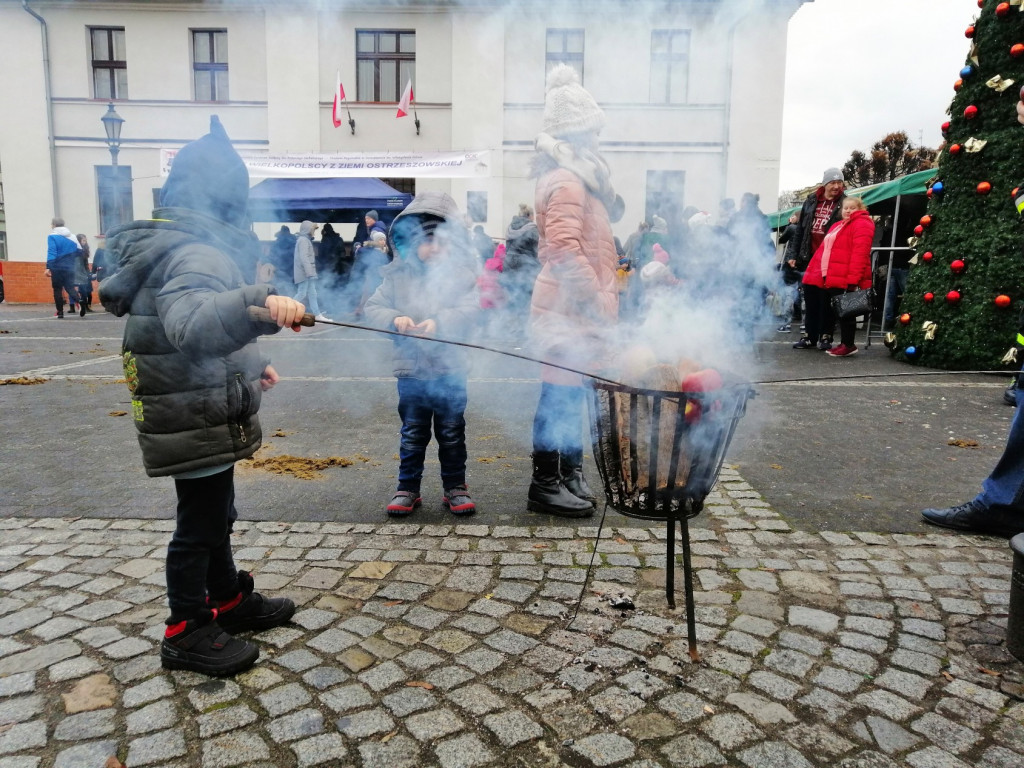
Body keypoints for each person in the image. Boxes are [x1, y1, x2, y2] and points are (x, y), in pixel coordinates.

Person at [97, 115, 305, 676]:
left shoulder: (187, 249)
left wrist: (250, 365)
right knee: (200, 525)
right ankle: (186, 627)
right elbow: (193, 328)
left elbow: (194, 335)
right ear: (225, 200)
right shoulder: (197, 254)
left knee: (217, 514)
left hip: (199, 408)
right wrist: (259, 302)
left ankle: (229, 600)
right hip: (191, 415)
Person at [527, 63, 623, 518]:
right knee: (559, 397)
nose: (599, 142)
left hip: (577, 312)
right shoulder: (567, 180)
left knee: (572, 394)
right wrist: (599, 300)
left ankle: (569, 473)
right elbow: (565, 251)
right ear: (578, 135)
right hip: (569, 310)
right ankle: (545, 484)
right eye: (594, 133)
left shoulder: (580, 178)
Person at [364, 191, 480, 518]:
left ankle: (455, 487)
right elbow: (373, 307)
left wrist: (440, 323)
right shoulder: (395, 277)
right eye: (429, 241)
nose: (436, 249)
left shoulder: (462, 277)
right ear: (413, 243)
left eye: (443, 242)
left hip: (450, 371)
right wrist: (393, 318)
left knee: (452, 433)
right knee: (413, 434)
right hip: (411, 372)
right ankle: (407, 488)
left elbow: (471, 310)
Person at [796, 196, 874, 357]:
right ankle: (823, 338)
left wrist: (853, 278)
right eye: (845, 208)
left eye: (852, 208)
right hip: (827, 274)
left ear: (860, 209)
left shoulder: (862, 224)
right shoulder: (838, 225)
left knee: (845, 309)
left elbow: (860, 253)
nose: (848, 211)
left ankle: (848, 344)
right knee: (832, 308)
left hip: (843, 275)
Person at [787, 168, 847, 350]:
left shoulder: (845, 202)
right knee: (810, 298)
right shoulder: (812, 200)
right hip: (810, 257)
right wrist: (793, 254)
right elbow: (800, 230)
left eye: (839, 183)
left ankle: (826, 336)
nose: (836, 186)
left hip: (832, 259)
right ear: (825, 184)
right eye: (832, 183)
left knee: (828, 301)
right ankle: (809, 336)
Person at [502, 203, 541, 338]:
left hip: (509, 266)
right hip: (526, 267)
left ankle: (512, 330)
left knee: (513, 298)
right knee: (526, 300)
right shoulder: (533, 230)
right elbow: (538, 252)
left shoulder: (510, 228)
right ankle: (524, 332)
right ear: (530, 216)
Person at [45, 218, 84, 318]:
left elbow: (52, 252)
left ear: (53, 225)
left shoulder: (52, 236)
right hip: (70, 266)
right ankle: (79, 301)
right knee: (70, 287)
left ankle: (60, 312)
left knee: (57, 289)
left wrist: (48, 267)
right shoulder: (72, 236)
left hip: (57, 267)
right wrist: (69, 258)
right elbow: (80, 251)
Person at [293, 220, 331, 322]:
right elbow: (304, 257)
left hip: (306, 273)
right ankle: (287, 309)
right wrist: (310, 273)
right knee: (302, 293)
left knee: (312, 294)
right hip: (305, 273)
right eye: (312, 229)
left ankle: (317, 314)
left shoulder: (303, 239)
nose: (314, 231)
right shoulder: (303, 240)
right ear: (307, 230)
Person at [776, 211, 803, 332]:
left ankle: (786, 324)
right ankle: (805, 325)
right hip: (803, 262)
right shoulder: (806, 230)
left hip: (790, 262)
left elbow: (781, 240)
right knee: (803, 294)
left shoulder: (792, 228)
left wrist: (789, 224)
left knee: (788, 293)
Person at [75, 234, 96, 312]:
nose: (85, 242)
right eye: (83, 240)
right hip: (80, 273)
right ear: (79, 241)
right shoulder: (77, 250)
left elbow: (85, 263)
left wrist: (88, 273)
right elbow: (78, 264)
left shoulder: (85, 250)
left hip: (85, 272)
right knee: (82, 290)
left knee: (87, 290)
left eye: (85, 240)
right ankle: (83, 306)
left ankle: (86, 306)